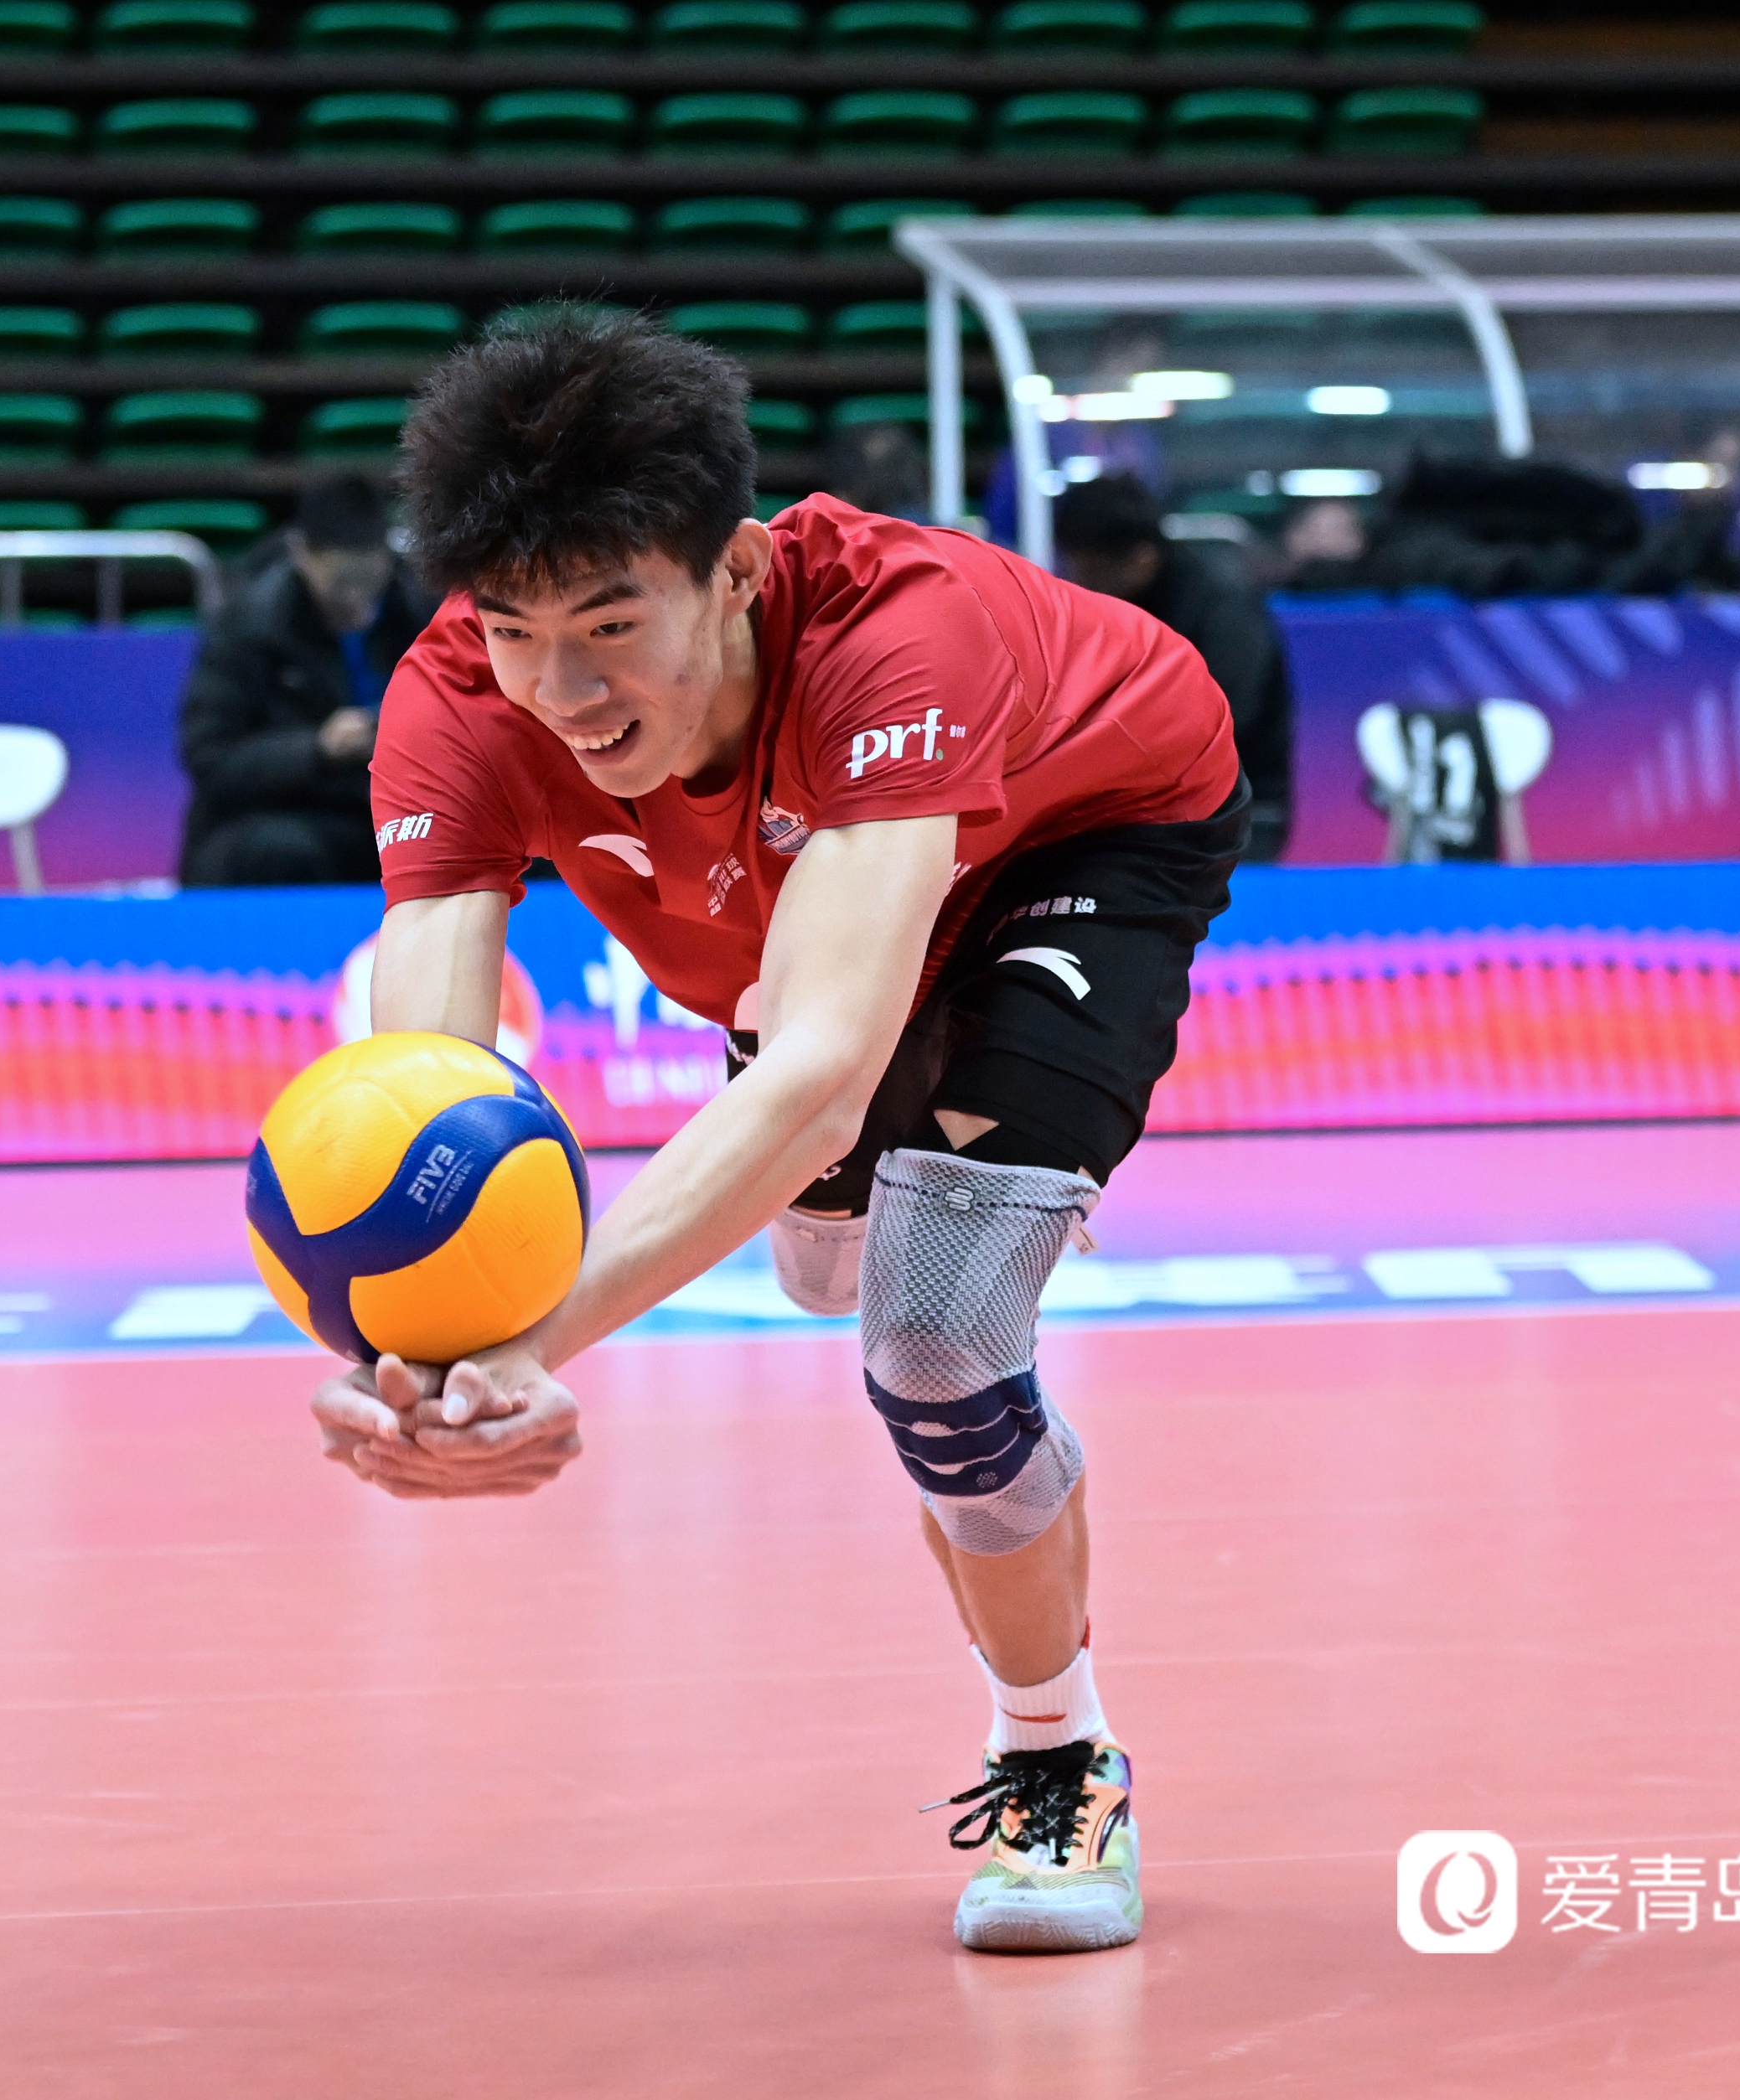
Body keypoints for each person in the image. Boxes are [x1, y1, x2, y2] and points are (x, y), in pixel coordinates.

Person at [308, 312, 1248, 1954]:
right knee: (825, 1260)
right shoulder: (455, 701)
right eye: (519, 632)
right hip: (805, 900)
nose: (565, 690)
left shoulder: (901, 630)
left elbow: (819, 1066)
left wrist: (531, 1342)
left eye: (613, 624)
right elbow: (424, 1108)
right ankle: (854, 1112)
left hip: (1082, 824)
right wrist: (423, 1362)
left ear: (734, 570)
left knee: (936, 1335)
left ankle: (1055, 1760)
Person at [176, 472, 430, 887]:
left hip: (391, 811)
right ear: (302, 554)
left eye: (369, 580)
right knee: (280, 854)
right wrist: (317, 748)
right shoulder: (248, 626)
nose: (356, 598)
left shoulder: (422, 612)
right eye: (341, 582)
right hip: (285, 811)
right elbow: (210, 757)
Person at [1051, 473, 1296, 864]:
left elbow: (1227, 720)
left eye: (1091, 571)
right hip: (1145, 810)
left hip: (1237, 812)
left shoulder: (1221, 608)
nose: (1079, 583)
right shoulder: (1111, 608)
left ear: (1141, 558)